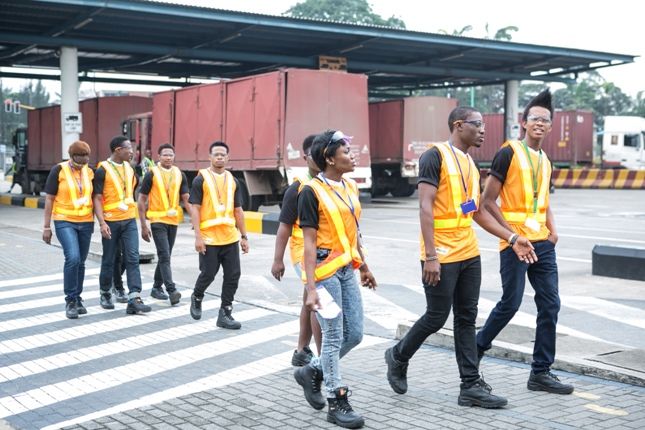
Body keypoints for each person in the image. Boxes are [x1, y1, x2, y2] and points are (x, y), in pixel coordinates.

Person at [383, 107, 538, 408]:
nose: (483, 130)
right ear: (458, 125)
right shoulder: (435, 156)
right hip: (440, 252)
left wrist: (512, 237)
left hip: (468, 250)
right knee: (436, 316)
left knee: (466, 318)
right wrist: (430, 256)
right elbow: (425, 207)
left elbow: (475, 210)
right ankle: (398, 355)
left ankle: (470, 385)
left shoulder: (470, 161)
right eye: (477, 125)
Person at [476, 89, 574, 395]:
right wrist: (513, 235)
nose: (540, 124)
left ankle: (541, 372)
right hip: (516, 243)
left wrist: (553, 232)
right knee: (511, 303)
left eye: (546, 120)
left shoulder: (545, 160)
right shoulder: (509, 152)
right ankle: (474, 352)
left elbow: (542, 201)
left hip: (542, 243)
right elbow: (488, 201)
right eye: (535, 118)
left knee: (551, 305)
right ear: (524, 122)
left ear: (550, 126)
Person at [294, 130, 377, 429]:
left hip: (346, 268)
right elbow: (308, 242)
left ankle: (311, 371)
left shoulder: (350, 187)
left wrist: (364, 266)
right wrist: (311, 289)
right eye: (345, 151)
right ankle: (336, 399)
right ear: (329, 158)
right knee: (332, 337)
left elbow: (354, 231)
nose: (352, 154)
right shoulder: (309, 191)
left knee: (354, 334)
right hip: (323, 271)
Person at [271, 134, 322, 366]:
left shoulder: (331, 183)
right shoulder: (297, 188)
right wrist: (277, 260)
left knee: (308, 302)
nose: (320, 158)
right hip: (304, 251)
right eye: (315, 154)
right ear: (305, 157)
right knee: (318, 302)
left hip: (327, 251)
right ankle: (324, 358)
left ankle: (301, 350)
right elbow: (284, 228)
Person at [188, 141, 249, 329]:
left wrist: (244, 237)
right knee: (208, 273)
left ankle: (225, 313)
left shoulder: (233, 181)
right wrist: (197, 236)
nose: (220, 157)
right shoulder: (201, 179)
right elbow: (195, 209)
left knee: (233, 275)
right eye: (216, 154)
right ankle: (197, 296)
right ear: (210, 157)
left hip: (229, 237)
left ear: (228, 158)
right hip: (209, 238)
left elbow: (238, 210)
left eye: (223, 154)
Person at [93, 136, 151, 315]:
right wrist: (102, 222)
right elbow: (96, 198)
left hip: (128, 220)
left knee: (132, 257)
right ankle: (105, 293)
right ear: (117, 150)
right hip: (111, 221)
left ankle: (134, 296)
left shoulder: (129, 167)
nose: (132, 151)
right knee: (109, 258)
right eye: (128, 148)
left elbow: (131, 192)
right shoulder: (102, 169)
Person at [42, 141, 94, 319]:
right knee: (72, 258)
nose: (81, 165)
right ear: (71, 157)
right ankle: (70, 300)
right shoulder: (58, 170)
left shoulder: (90, 171)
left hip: (86, 222)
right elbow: (49, 199)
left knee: (81, 262)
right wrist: (46, 226)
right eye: (78, 161)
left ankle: (78, 298)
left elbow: (96, 197)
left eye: (85, 161)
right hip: (64, 221)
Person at [137, 143, 190, 305]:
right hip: (157, 221)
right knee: (165, 255)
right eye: (165, 154)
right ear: (158, 157)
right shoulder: (152, 174)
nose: (168, 157)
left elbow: (187, 199)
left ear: (174, 156)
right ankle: (171, 289)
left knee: (165, 255)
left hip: (173, 222)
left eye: (171, 154)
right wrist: (144, 225)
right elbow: (141, 199)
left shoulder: (180, 174)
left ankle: (156, 287)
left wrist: (196, 219)